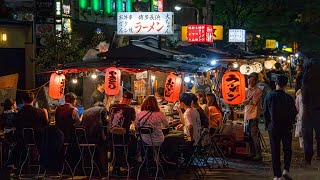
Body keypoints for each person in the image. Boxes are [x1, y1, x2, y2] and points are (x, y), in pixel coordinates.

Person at [264, 75, 297, 180]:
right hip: (286, 127)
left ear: (275, 84)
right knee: (287, 149)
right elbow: (293, 113)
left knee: (275, 150)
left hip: (273, 127)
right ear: (285, 85)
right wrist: (292, 124)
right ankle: (286, 170)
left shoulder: (269, 96)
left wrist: (267, 125)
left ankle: (277, 175)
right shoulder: (288, 98)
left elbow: (265, 113)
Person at [109, 91, 136, 174]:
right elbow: (134, 120)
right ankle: (125, 165)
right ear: (130, 100)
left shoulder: (112, 107)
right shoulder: (130, 109)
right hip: (124, 137)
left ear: (123, 98)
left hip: (111, 136)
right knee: (134, 141)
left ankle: (115, 166)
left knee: (116, 148)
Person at [81, 104, 108, 174]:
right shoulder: (103, 110)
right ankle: (103, 169)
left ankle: (89, 167)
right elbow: (104, 123)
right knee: (104, 145)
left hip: (85, 138)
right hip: (97, 137)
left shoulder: (85, 111)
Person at [243, 72, 263, 161]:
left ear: (256, 81)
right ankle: (252, 152)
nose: (251, 82)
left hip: (254, 115)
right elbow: (243, 101)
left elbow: (254, 102)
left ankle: (258, 154)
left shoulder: (258, 91)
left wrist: (247, 101)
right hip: (247, 115)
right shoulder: (246, 90)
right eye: (249, 80)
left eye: (253, 80)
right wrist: (248, 100)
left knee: (254, 135)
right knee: (249, 135)